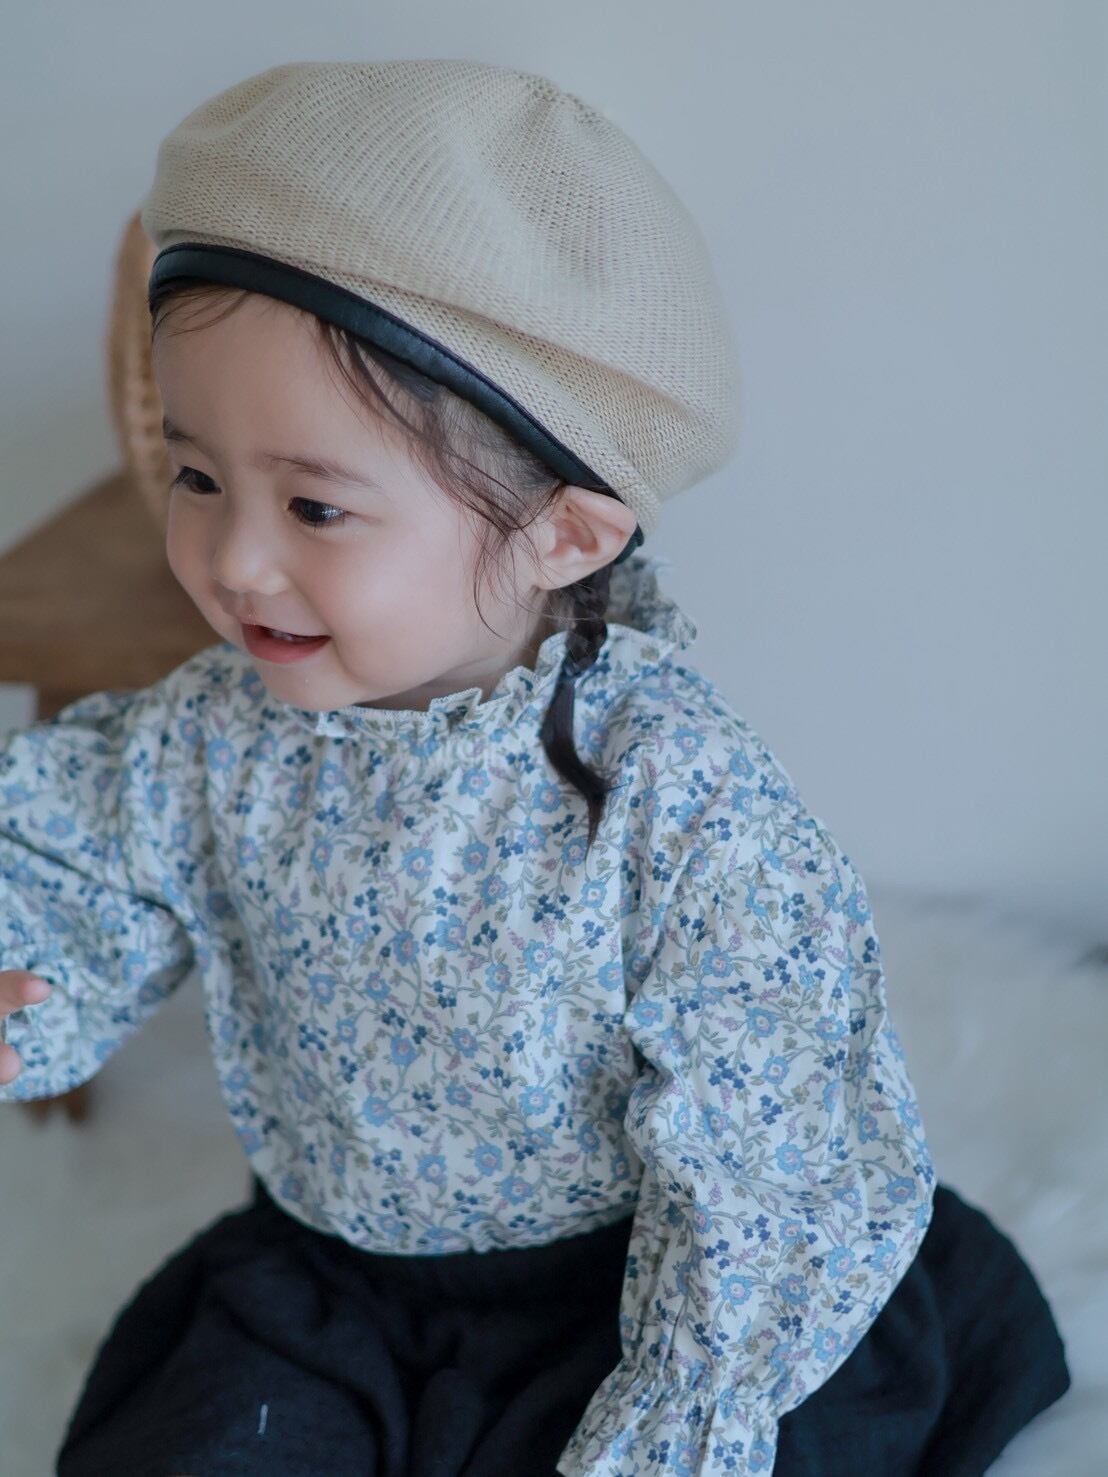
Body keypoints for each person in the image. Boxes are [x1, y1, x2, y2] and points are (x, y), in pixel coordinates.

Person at [0, 58, 1070, 1477]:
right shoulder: (214, 734)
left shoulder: (673, 796)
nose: (233, 560)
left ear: (566, 534)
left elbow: (764, 1139)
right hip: (331, 1278)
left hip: (623, 1281)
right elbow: (74, 852)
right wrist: (33, 976)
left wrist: (670, 1411)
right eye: (198, 478)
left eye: (315, 505)